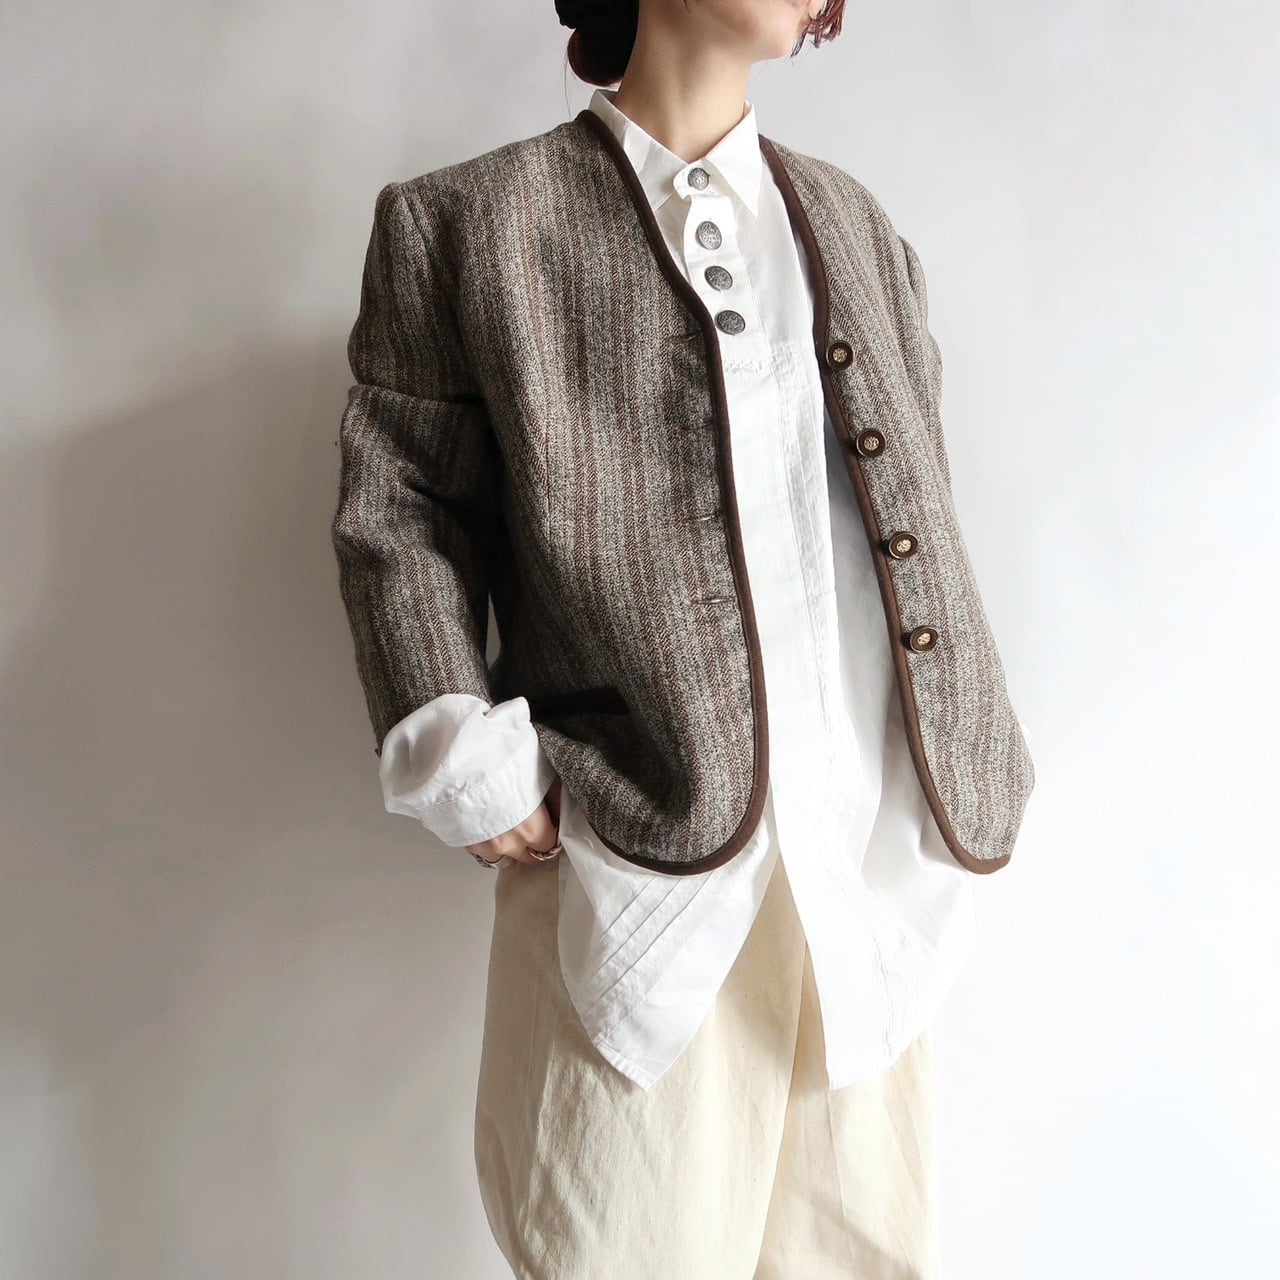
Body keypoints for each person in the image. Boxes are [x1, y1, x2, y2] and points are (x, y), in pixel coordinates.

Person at [331, 1, 1036, 1275]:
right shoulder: (468, 225)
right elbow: (401, 504)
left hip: (862, 883)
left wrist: (964, 749)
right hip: (636, 873)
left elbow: (907, 503)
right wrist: (461, 747)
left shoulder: (857, 227)